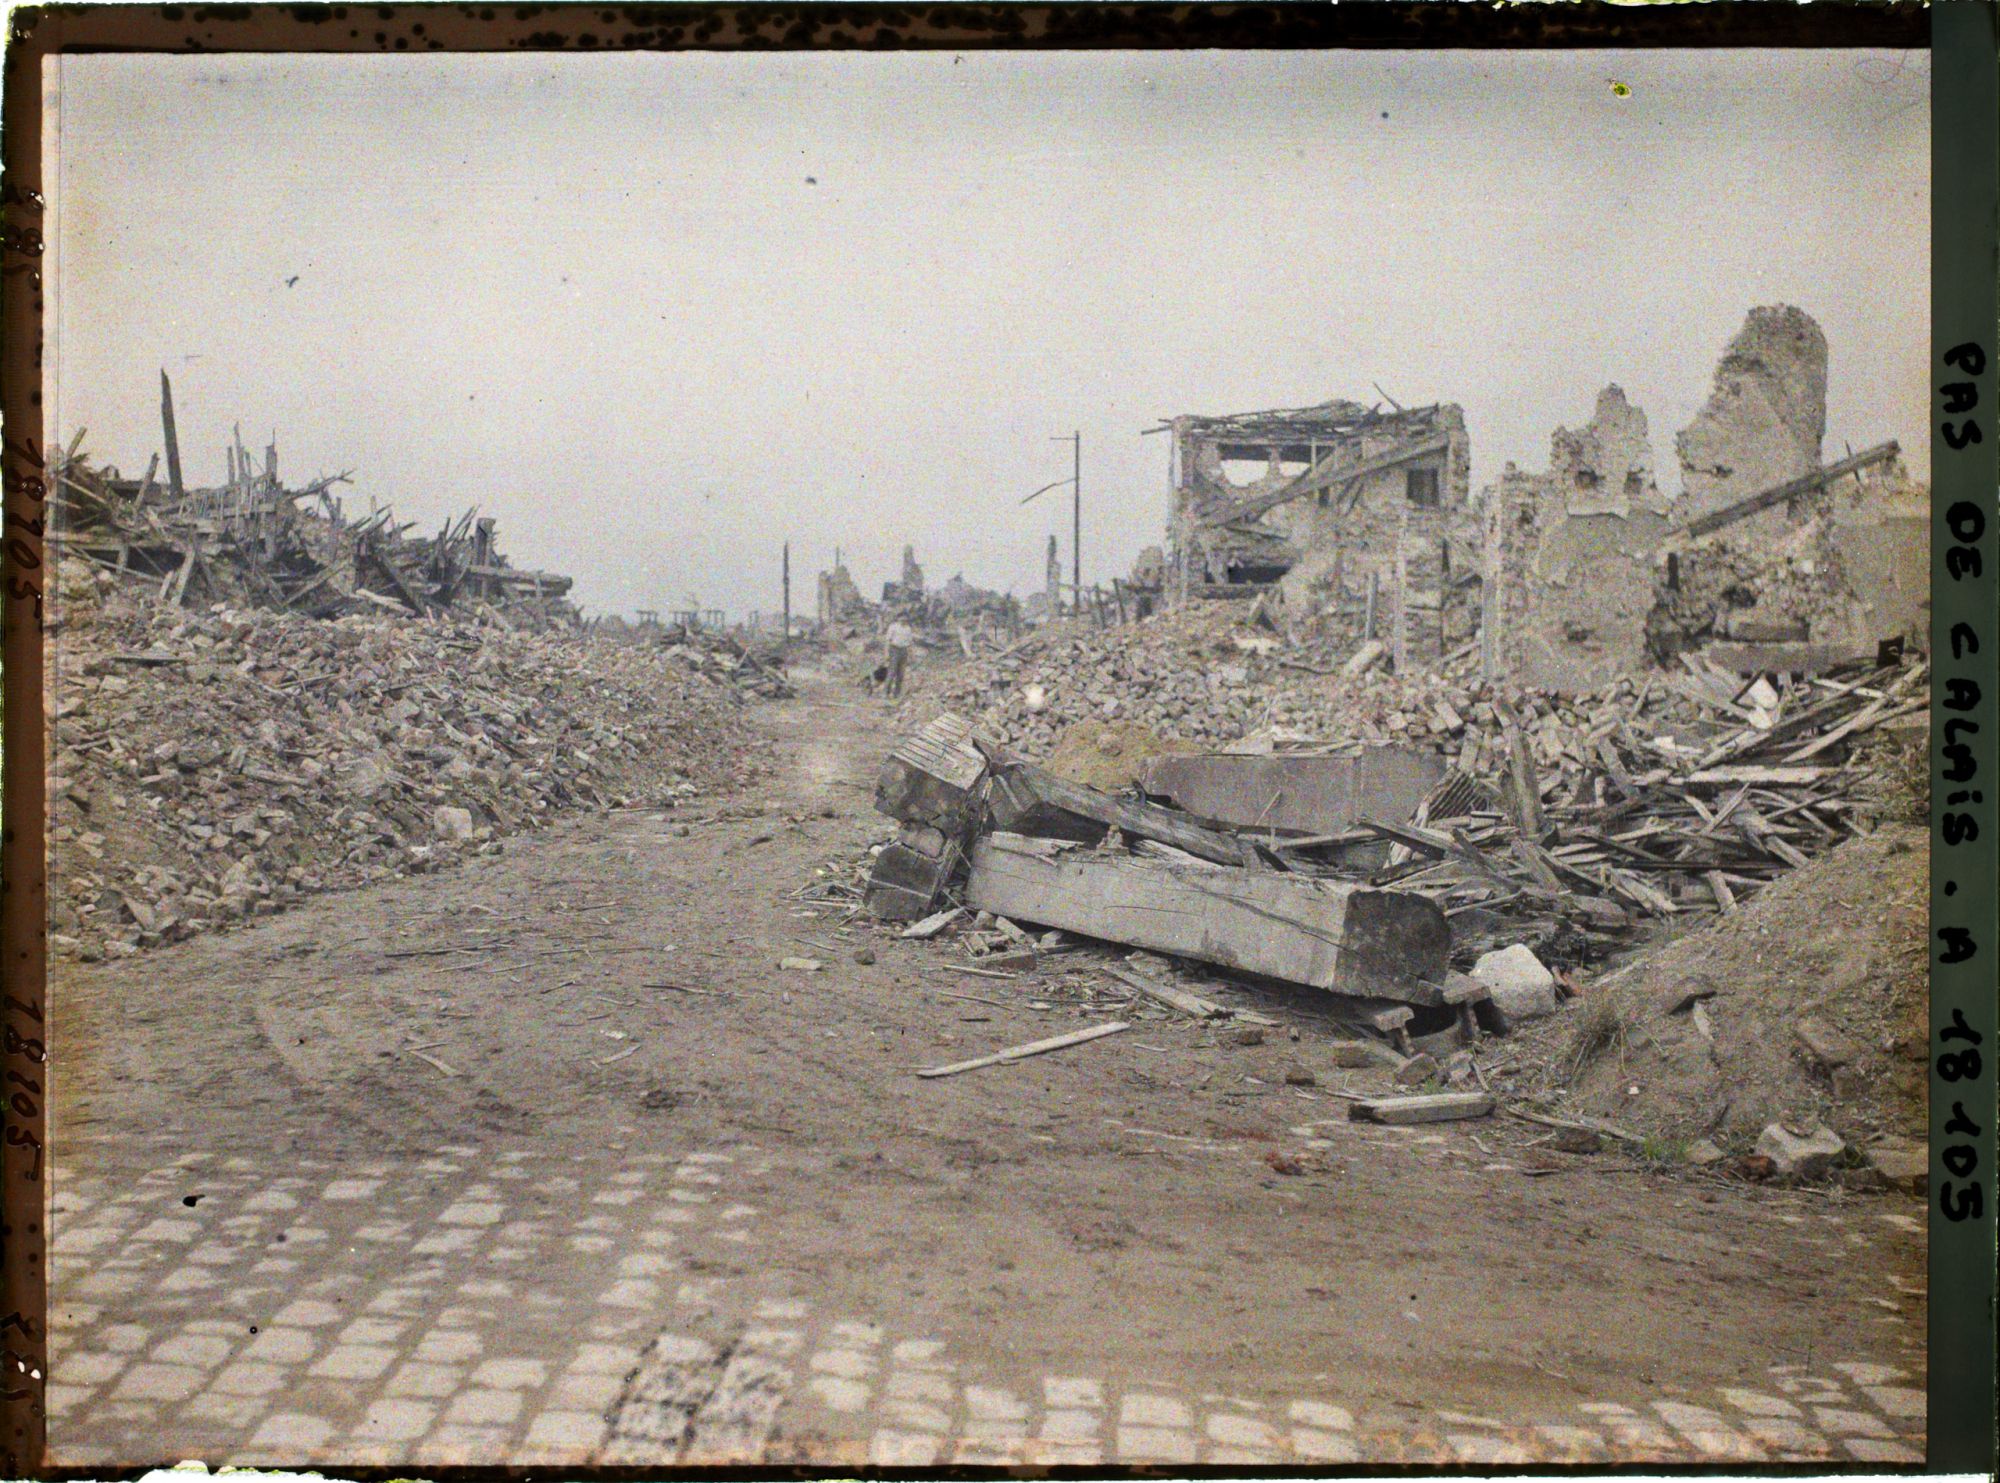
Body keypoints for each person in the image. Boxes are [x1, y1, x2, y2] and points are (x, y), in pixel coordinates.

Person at [884, 617, 915, 698]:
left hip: (904, 651)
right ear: (898, 618)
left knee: (901, 673)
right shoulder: (893, 627)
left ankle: (896, 693)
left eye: (905, 618)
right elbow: (888, 640)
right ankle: (886, 692)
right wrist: (886, 653)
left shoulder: (908, 629)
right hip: (894, 650)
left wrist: (911, 655)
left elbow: (910, 643)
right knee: (892, 671)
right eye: (901, 618)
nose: (903, 619)